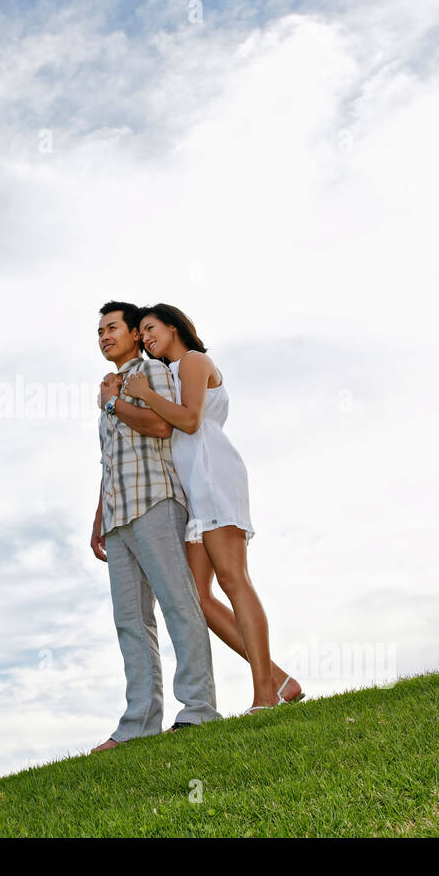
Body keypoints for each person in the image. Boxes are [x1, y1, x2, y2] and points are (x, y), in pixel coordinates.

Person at [122, 303, 303, 713]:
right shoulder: (167, 372)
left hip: (215, 477)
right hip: (192, 488)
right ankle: (279, 680)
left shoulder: (194, 360)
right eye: (142, 333)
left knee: (234, 580)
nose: (147, 338)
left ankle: (264, 697)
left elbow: (189, 420)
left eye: (151, 329)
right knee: (198, 597)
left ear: (173, 326)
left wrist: (145, 395)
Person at [89, 301, 221, 752]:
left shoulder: (153, 374)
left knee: (178, 604)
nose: (104, 335)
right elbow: (110, 461)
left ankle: (199, 708)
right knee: (130, 620)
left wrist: (113, 405)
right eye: (99, 330)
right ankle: (138, 724)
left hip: (156, 503)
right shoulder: (107, 387)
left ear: (131, 334)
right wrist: (98, 520)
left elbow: (162, 428)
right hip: (118, 514)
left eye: (112, 327)